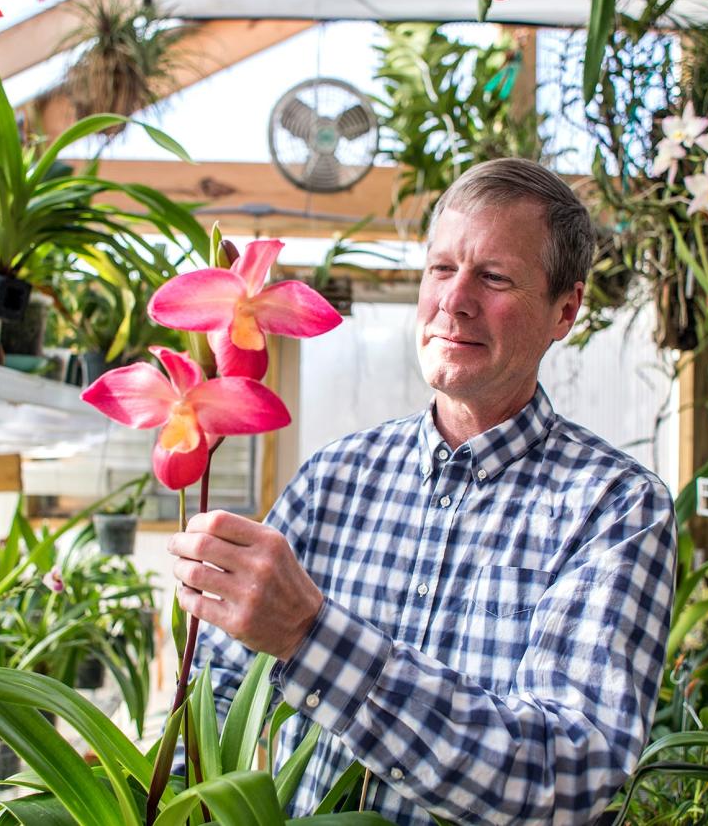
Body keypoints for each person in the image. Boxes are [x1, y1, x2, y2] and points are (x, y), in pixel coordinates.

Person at [168, 158, 677, 824]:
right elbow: (217, 691)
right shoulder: (335, 478)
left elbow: (571, 780)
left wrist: (311, 635)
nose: (454, 300)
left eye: (493, 277)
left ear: (565, 311)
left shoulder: (614, 508)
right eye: (441, 269)